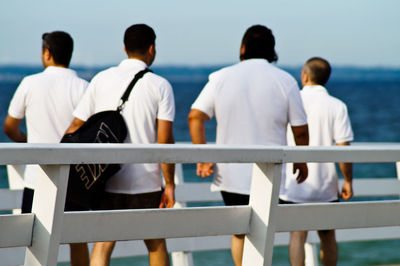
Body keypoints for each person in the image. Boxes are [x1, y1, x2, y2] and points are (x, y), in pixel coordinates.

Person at [188, 24, 309, 266]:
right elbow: (300, 129)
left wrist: (203, 156)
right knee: (263, 230)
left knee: (239, 231)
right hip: (270, 173)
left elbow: (195, 116)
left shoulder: (221, 77)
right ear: (272, 51)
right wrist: (301, 159)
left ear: (243, 48)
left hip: (230, 173)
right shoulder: (285, 80)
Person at [65, 24, 175, 266]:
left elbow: (74, 127)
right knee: (155, 244)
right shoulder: (160, 85)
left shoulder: (100, 79)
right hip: (145, 179)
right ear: (152, 48)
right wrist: (169, 184)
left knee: (103, 244)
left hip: (106, 177)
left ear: (124, 48)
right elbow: (164, 140)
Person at [3, 31, 89, 266]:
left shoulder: (30, 83)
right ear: (69, 54)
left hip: (36, 177)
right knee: (78, 240)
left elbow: (10, 127)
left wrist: (28, 142)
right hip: (74, 180)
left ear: (47, 53)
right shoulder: (83, 87)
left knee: (34, 239)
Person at [279, 57, 354, 266]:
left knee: (297, 235)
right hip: (326, 184)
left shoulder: (292, 101)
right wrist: (348, 181)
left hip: (294, 181)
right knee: (328, 235)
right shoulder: (337, 106)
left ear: (304, 75)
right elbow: (343, 149)